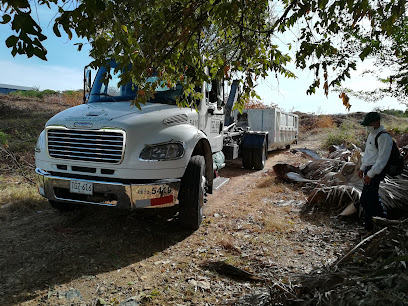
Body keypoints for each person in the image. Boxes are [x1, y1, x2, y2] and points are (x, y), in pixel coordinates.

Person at [358, 112, 393, 232]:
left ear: (377, 122)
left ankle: (372, 225)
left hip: (375, 171)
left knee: (366, 199)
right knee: (371, 198)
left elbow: (382, 160)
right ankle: (379, 224)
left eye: (370, 124)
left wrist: (371, 174)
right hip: (369, 169)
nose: (368, 126)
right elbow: (369, 154)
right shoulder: (372, 134)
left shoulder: (384, 137)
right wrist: (362, 168)